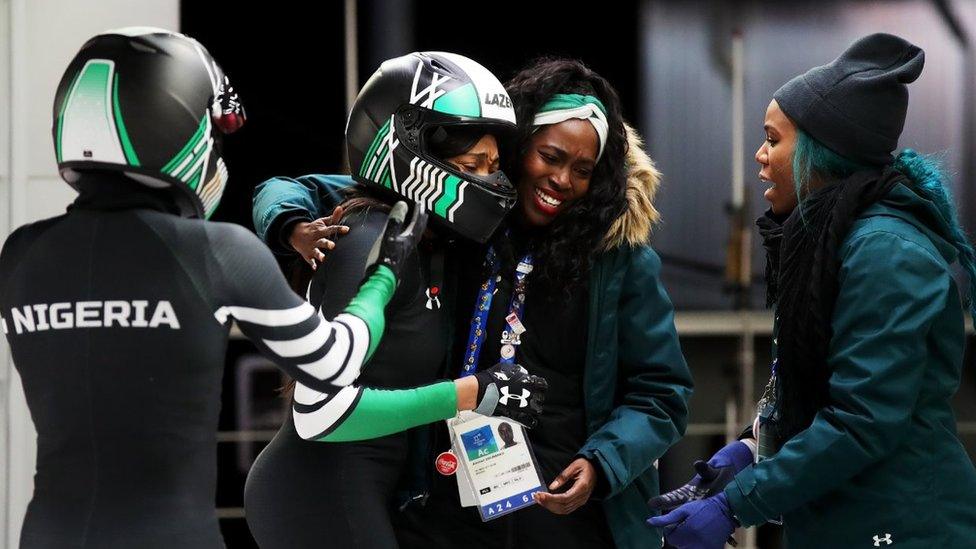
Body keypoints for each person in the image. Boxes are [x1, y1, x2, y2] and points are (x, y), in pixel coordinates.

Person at [0, 28, 433, 549]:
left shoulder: (21, 252)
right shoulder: (217, 251)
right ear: (179, 128)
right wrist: (386, 271)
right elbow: (334, 362)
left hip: (46, 534)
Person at [649, 33, 976, 549]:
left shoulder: (886, 252)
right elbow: (813, 383)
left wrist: (735, 505)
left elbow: (860, 422)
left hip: (903, 526)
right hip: (847, 521)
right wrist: (752, 449)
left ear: (823, 153)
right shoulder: (833, 240)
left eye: (774, 140)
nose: (759, 155)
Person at [244, 51, 547, 549]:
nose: (490, 181)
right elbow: (321, 412)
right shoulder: (369, 237)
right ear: (407, 150)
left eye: (494, 166)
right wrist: (474, 392)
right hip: (320, 488)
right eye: (473, 165)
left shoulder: (424, 239)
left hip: (364, 486)